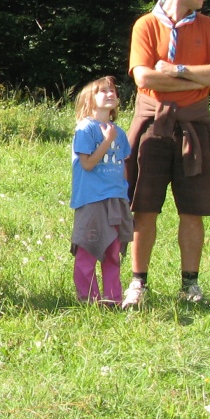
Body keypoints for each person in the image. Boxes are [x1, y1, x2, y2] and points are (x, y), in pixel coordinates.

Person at [123, 0, 210, 307]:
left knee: (193, 209)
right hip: (152, 125)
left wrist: (177, 70)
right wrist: (201, 77)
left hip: (195, 126)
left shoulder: (209, 27)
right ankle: (138, 283)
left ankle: (190, 285)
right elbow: (144, 78)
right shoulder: (146, 25)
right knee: (144, 207)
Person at [70, 77, 131, 305]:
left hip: (115, 200)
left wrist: (125, 196)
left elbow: (122, 167)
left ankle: (113, 298)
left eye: (112, 90)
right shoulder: (85, 129)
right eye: (102, 91)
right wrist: (106, 141)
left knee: (113, 252)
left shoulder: (120, 132)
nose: (109, 94)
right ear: (89, 100)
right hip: (92, 200)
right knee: (88, 248)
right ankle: (88, 299)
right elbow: (87, 164)